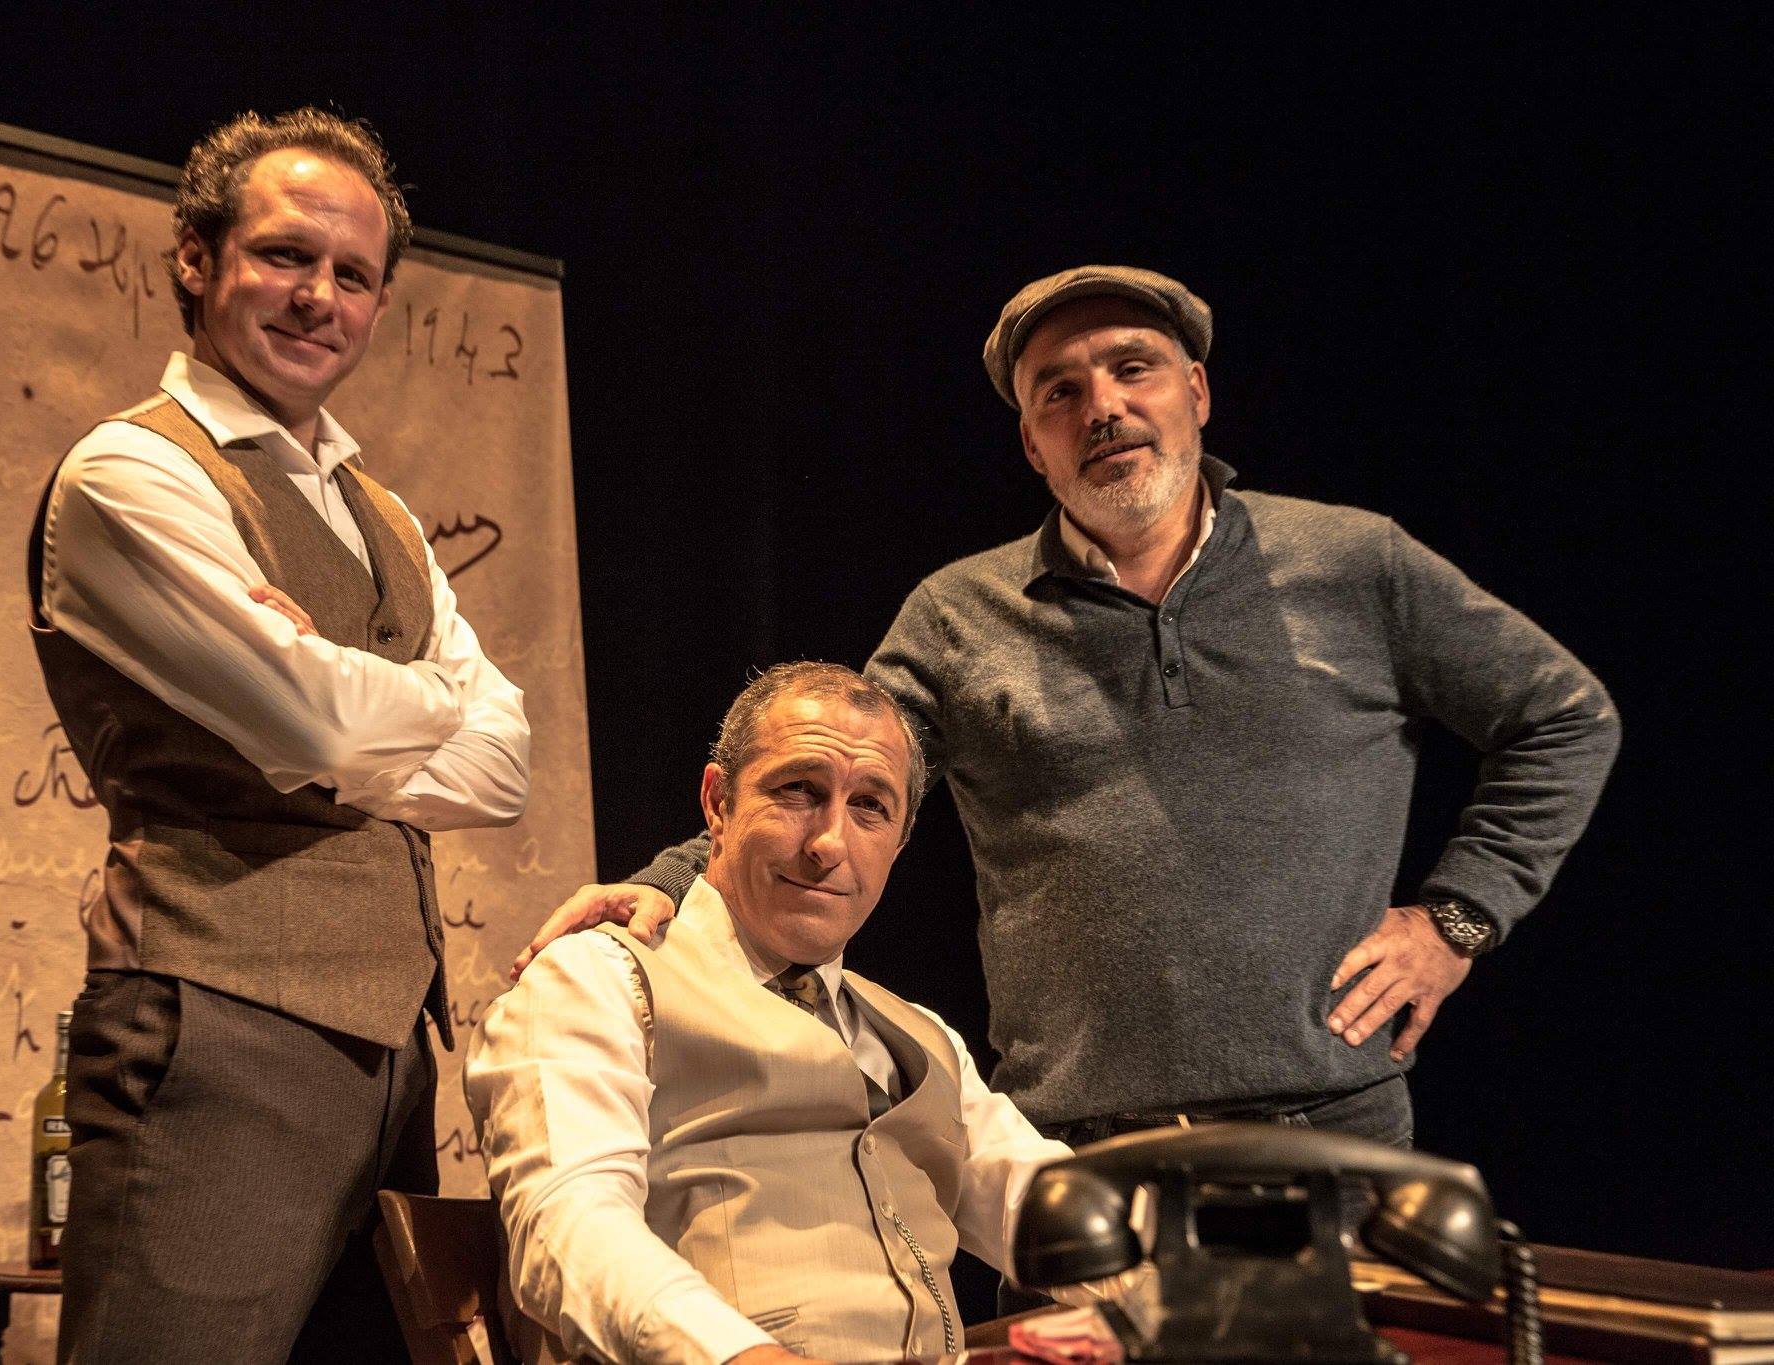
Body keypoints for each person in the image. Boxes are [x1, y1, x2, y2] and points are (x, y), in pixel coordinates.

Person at [519, 264, 1619, 1159]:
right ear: (1031, 443)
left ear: (1195, 391)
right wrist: (665, 882)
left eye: (1130, 369)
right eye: (1058, 390)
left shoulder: (1352, 563)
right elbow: (827, 776)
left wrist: (1457, 918)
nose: (1101, 406)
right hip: (1072, 1159)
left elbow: (1564, 717)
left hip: (1337, 1140)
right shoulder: (960, 614)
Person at [26, 109, 529, 1362]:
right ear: (198, 257)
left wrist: (352, 703)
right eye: (285, 257)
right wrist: (381, 702)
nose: (319, 299)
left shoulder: (386, 516)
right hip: (215, 1025)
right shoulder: (130, 474)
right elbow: (313, 719)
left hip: (389, 1055)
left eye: (352, 276)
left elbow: (503, 766)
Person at [468, 662, 1113, 1365]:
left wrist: (1198, 1299)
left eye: (870, 806)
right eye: (798, 791)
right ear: (717, 802)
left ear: (899, 841)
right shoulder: (599, 977)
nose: (829, 843)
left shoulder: (923, 1035)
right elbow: (571, 1224)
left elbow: (1046, 1203)